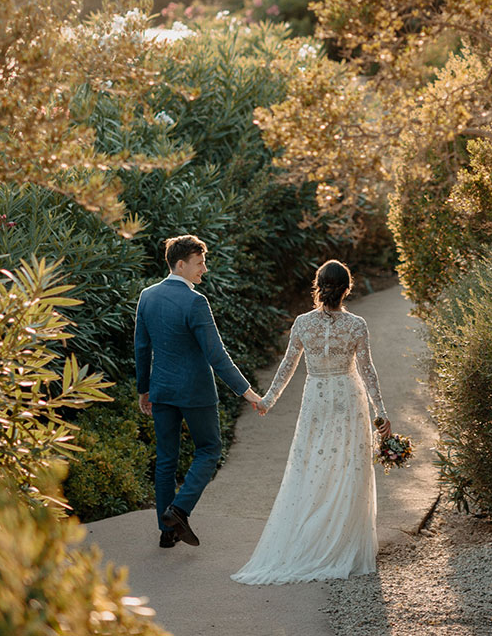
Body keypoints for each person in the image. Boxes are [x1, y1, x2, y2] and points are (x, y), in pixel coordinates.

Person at [232, 259, 392, 585]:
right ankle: (343, 543)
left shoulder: (303, 323)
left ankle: (312, 538)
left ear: (318, 287)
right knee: (348, 466)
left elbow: (287, 366)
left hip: (316, 400)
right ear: (347, 289)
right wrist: (381, 412)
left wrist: (268, 401)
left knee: (313, 465)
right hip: (348, 398)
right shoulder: (357, 325)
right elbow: (367, 371)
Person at [135, 234, 263, 548]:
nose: (204, 269)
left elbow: (141, 348)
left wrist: (144, 389)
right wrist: (246, 391)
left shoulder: (147, 297)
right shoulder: (195, 301)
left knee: (166, 460)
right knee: (209, 449)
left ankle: (167, 532)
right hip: (195, 392)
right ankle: (178, 510)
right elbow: (216, 354)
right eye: (199, 263)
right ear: (180, 264)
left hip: (162, 390)